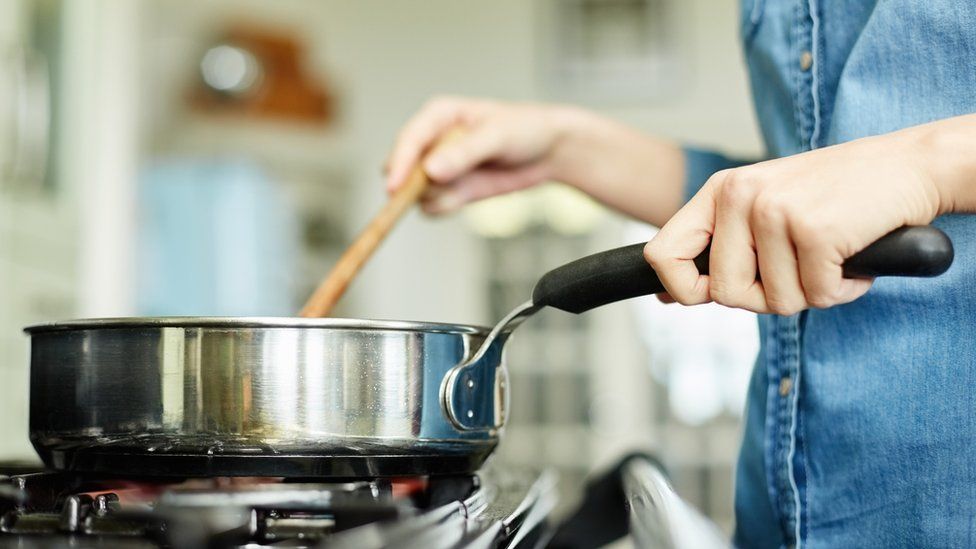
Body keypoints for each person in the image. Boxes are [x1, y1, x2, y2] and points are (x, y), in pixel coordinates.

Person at [386, 2, 976, 547]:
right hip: (786, 507)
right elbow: (791, 201)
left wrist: (932, 166)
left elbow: (884, 176)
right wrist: (562, 147)